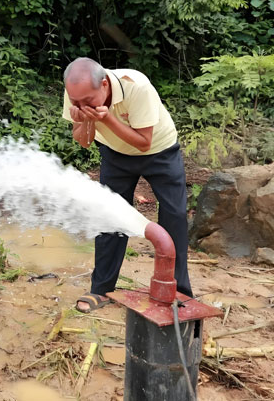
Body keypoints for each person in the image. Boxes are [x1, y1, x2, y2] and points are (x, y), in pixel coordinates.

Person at [61, 57, 192, 312]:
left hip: (159, 152)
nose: (81, 105)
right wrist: (87, 118)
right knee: (110, 217)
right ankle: (102, 290)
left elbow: (144, 142)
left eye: (88, 101)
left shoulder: (137, 87)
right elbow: (84, 141)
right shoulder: (76, 94)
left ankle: (179, 290)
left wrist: (107, 118)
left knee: (174, 216)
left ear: (105, 86)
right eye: (76, 102)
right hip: (114, 154)